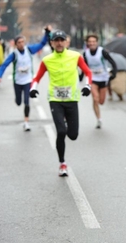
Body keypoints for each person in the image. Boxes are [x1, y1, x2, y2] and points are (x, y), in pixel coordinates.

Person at [29, 30, 92, 177]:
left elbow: (88, 72)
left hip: (72, 99)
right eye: (56, 40)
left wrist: (88, 86)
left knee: (73, 135)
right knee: (61, 132)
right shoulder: (47, 60)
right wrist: (33, 89)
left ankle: (65, 122)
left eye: (61, 40)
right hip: (55, 100)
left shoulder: (76, 56)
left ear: (66, 42)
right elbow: (36, 78)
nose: (58, 43)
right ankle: (62, 163)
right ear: (52, 43)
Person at [0, 26, 51, 131]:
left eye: (23, 42)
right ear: (16, 44)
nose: (21, 44)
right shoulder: (14, 54)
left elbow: (41, 44)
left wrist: (47, 33)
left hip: (28, 80)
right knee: (19, 102)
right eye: (19, 42)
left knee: (27, 101)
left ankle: (26, 122)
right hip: (17, 81)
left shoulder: (29, 50)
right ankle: (17, 99)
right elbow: (4, 65)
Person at [82, 34, 117, 129]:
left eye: (93, 41)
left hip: (103, 78)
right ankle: (99, 119)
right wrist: (81, 77)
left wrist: (114, 72)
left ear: (96, 42)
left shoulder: (102, 51)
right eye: (90, 42)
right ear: (87, 43)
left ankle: (98, 116)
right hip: (92, 78)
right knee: (95, 99)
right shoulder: (85, 53)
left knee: (101, 101)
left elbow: (112, 62)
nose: (92, 43)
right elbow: (83, 66)